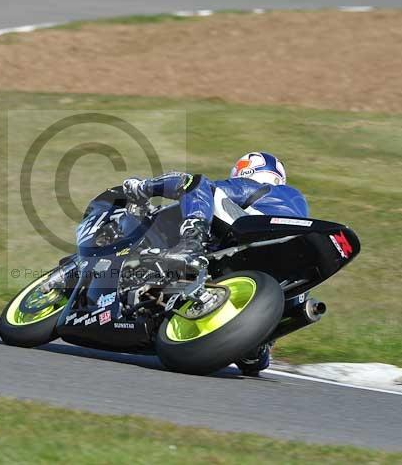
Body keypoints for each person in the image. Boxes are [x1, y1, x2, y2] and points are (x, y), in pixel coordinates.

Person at [122, 151, 309, 375]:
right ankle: (260, 344)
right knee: (256, 358)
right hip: (277, 271)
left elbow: (202, 188)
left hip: (254, 238)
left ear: (247, 170)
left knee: (194, 182)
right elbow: (254, 367)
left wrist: (142, 188)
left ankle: (191, 244)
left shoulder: (255, 188)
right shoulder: (294, 207)